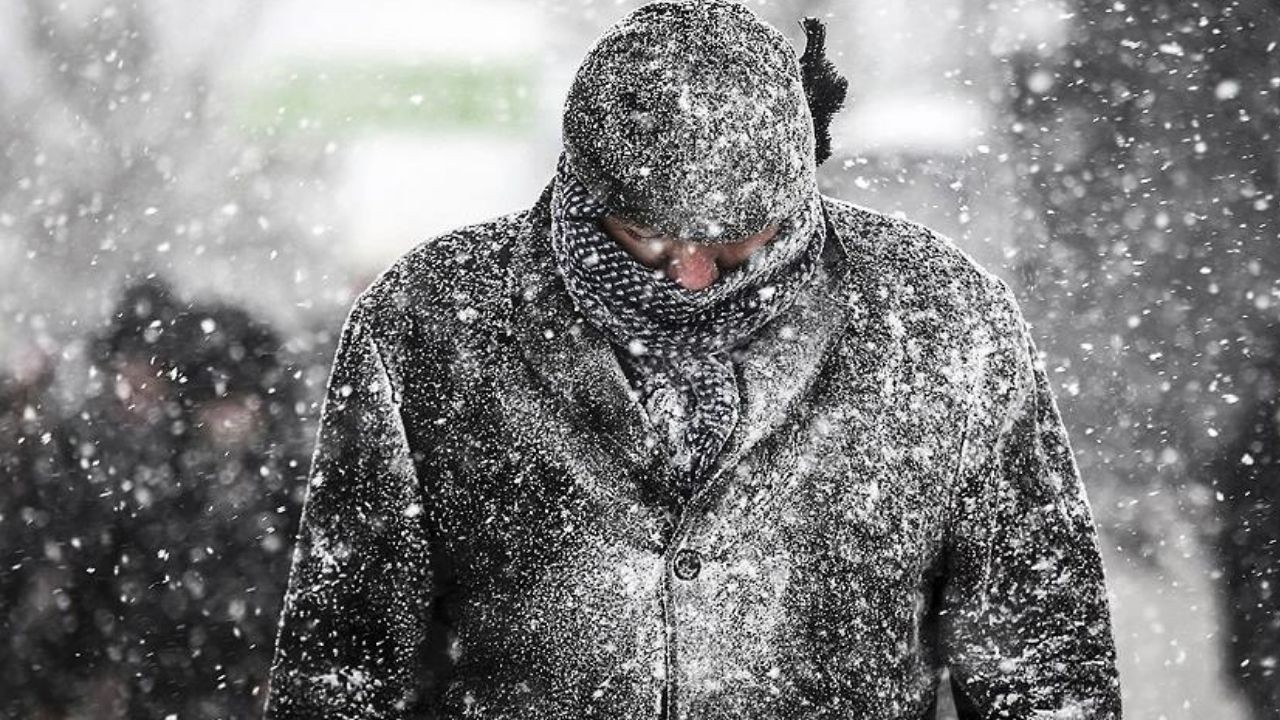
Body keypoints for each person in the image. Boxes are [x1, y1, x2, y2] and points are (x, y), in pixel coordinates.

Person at [264, 2, 1123, 718]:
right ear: (582, 187)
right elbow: (345, 658)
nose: (693, 276)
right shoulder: (430, 320)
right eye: (646, 236)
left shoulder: (942, 323)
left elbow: (1043, 660)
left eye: (739, 242)